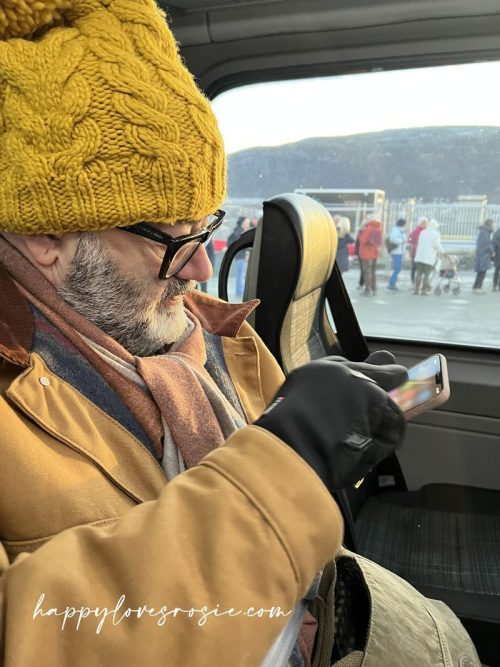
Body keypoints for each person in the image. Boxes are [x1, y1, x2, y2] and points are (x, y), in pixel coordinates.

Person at [0, 2, 480, 666]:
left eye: (208, 227)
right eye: (171, 239)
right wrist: (282, 468)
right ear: (45, 236)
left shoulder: (212, 332)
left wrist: (318, 441)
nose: (200, 269)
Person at [414, 219, 443, 295]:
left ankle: (416, 290)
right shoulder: (436, 234)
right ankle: (423, 291)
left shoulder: (422, 232)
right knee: (427, 275)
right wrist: (442, 251)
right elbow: (437, 245)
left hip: (419, 256)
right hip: (429, 258)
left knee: (419, 273)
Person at [357, 217, 383, 296]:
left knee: (367, 271)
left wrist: (360, 233)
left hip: (367, 253)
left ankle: (368, 290)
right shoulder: (378, 227)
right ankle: (374, 288)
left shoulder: (368, 228)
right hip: (375, 252)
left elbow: (363, 240)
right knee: (373, 271)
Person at [472, 219, 494, 294]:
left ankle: (475, 287)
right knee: (482, 272)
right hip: (484, 255)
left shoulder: (483, 231)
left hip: (481, 254)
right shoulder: (485, 233)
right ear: (490, 225)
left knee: (480, 271)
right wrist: (492, 252)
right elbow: (487, 244)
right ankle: (478, 287)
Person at [386, 218, 407, 291]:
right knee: (397, 269)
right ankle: (391, 284)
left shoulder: (401, 230)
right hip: (396, 252)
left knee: (397, 269)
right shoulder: (395, 230)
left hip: (400, 252)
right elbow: (393, 239)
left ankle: (392, 283)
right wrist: (402, 241)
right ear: (402, 224)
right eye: (405, 224)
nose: (405, 225)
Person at [407, 216, 429, 284]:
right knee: (415, 268)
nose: (425, 224)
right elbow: (409, 240)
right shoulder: (416, 231)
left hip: (422, 253)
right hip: (416, 253)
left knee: (420, 268)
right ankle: (414, 282)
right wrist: (413, 246)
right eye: (423, 222)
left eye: (425, 222)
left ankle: (417, 282)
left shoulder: (426, 230)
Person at [492, 223, 500, 291]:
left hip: (497, 255)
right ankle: (495, 285)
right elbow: (494, 243)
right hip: (498, 255)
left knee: (497, 270)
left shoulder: (496, 232)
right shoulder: (497, 233)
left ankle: (495, 285)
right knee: (497, 270)